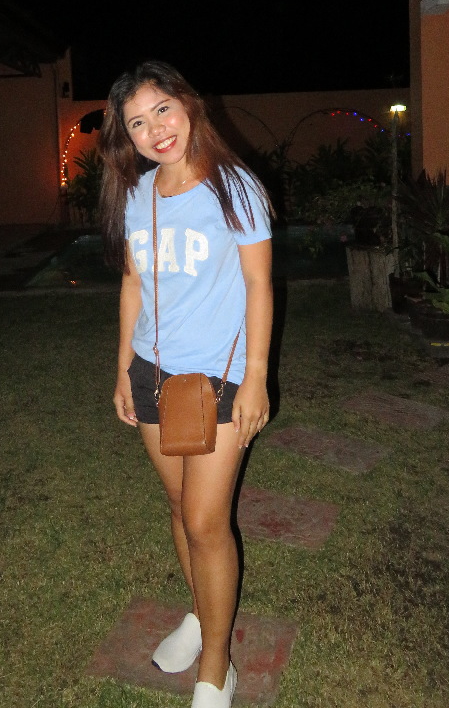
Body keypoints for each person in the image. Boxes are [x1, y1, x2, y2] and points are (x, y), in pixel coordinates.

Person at [98, 61, 274, 708]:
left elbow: (258, 284)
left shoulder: (233, 188)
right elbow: (132, 282)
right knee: (178, 509)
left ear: (188, 105)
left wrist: (255, 379)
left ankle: (217, 665)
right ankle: (202, 614)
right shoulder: (137, 193)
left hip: (219, 377)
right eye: (137, 123)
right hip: (152, 372)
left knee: (205, 520)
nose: (155, 130)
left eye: (161, 110)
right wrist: (124, 367)